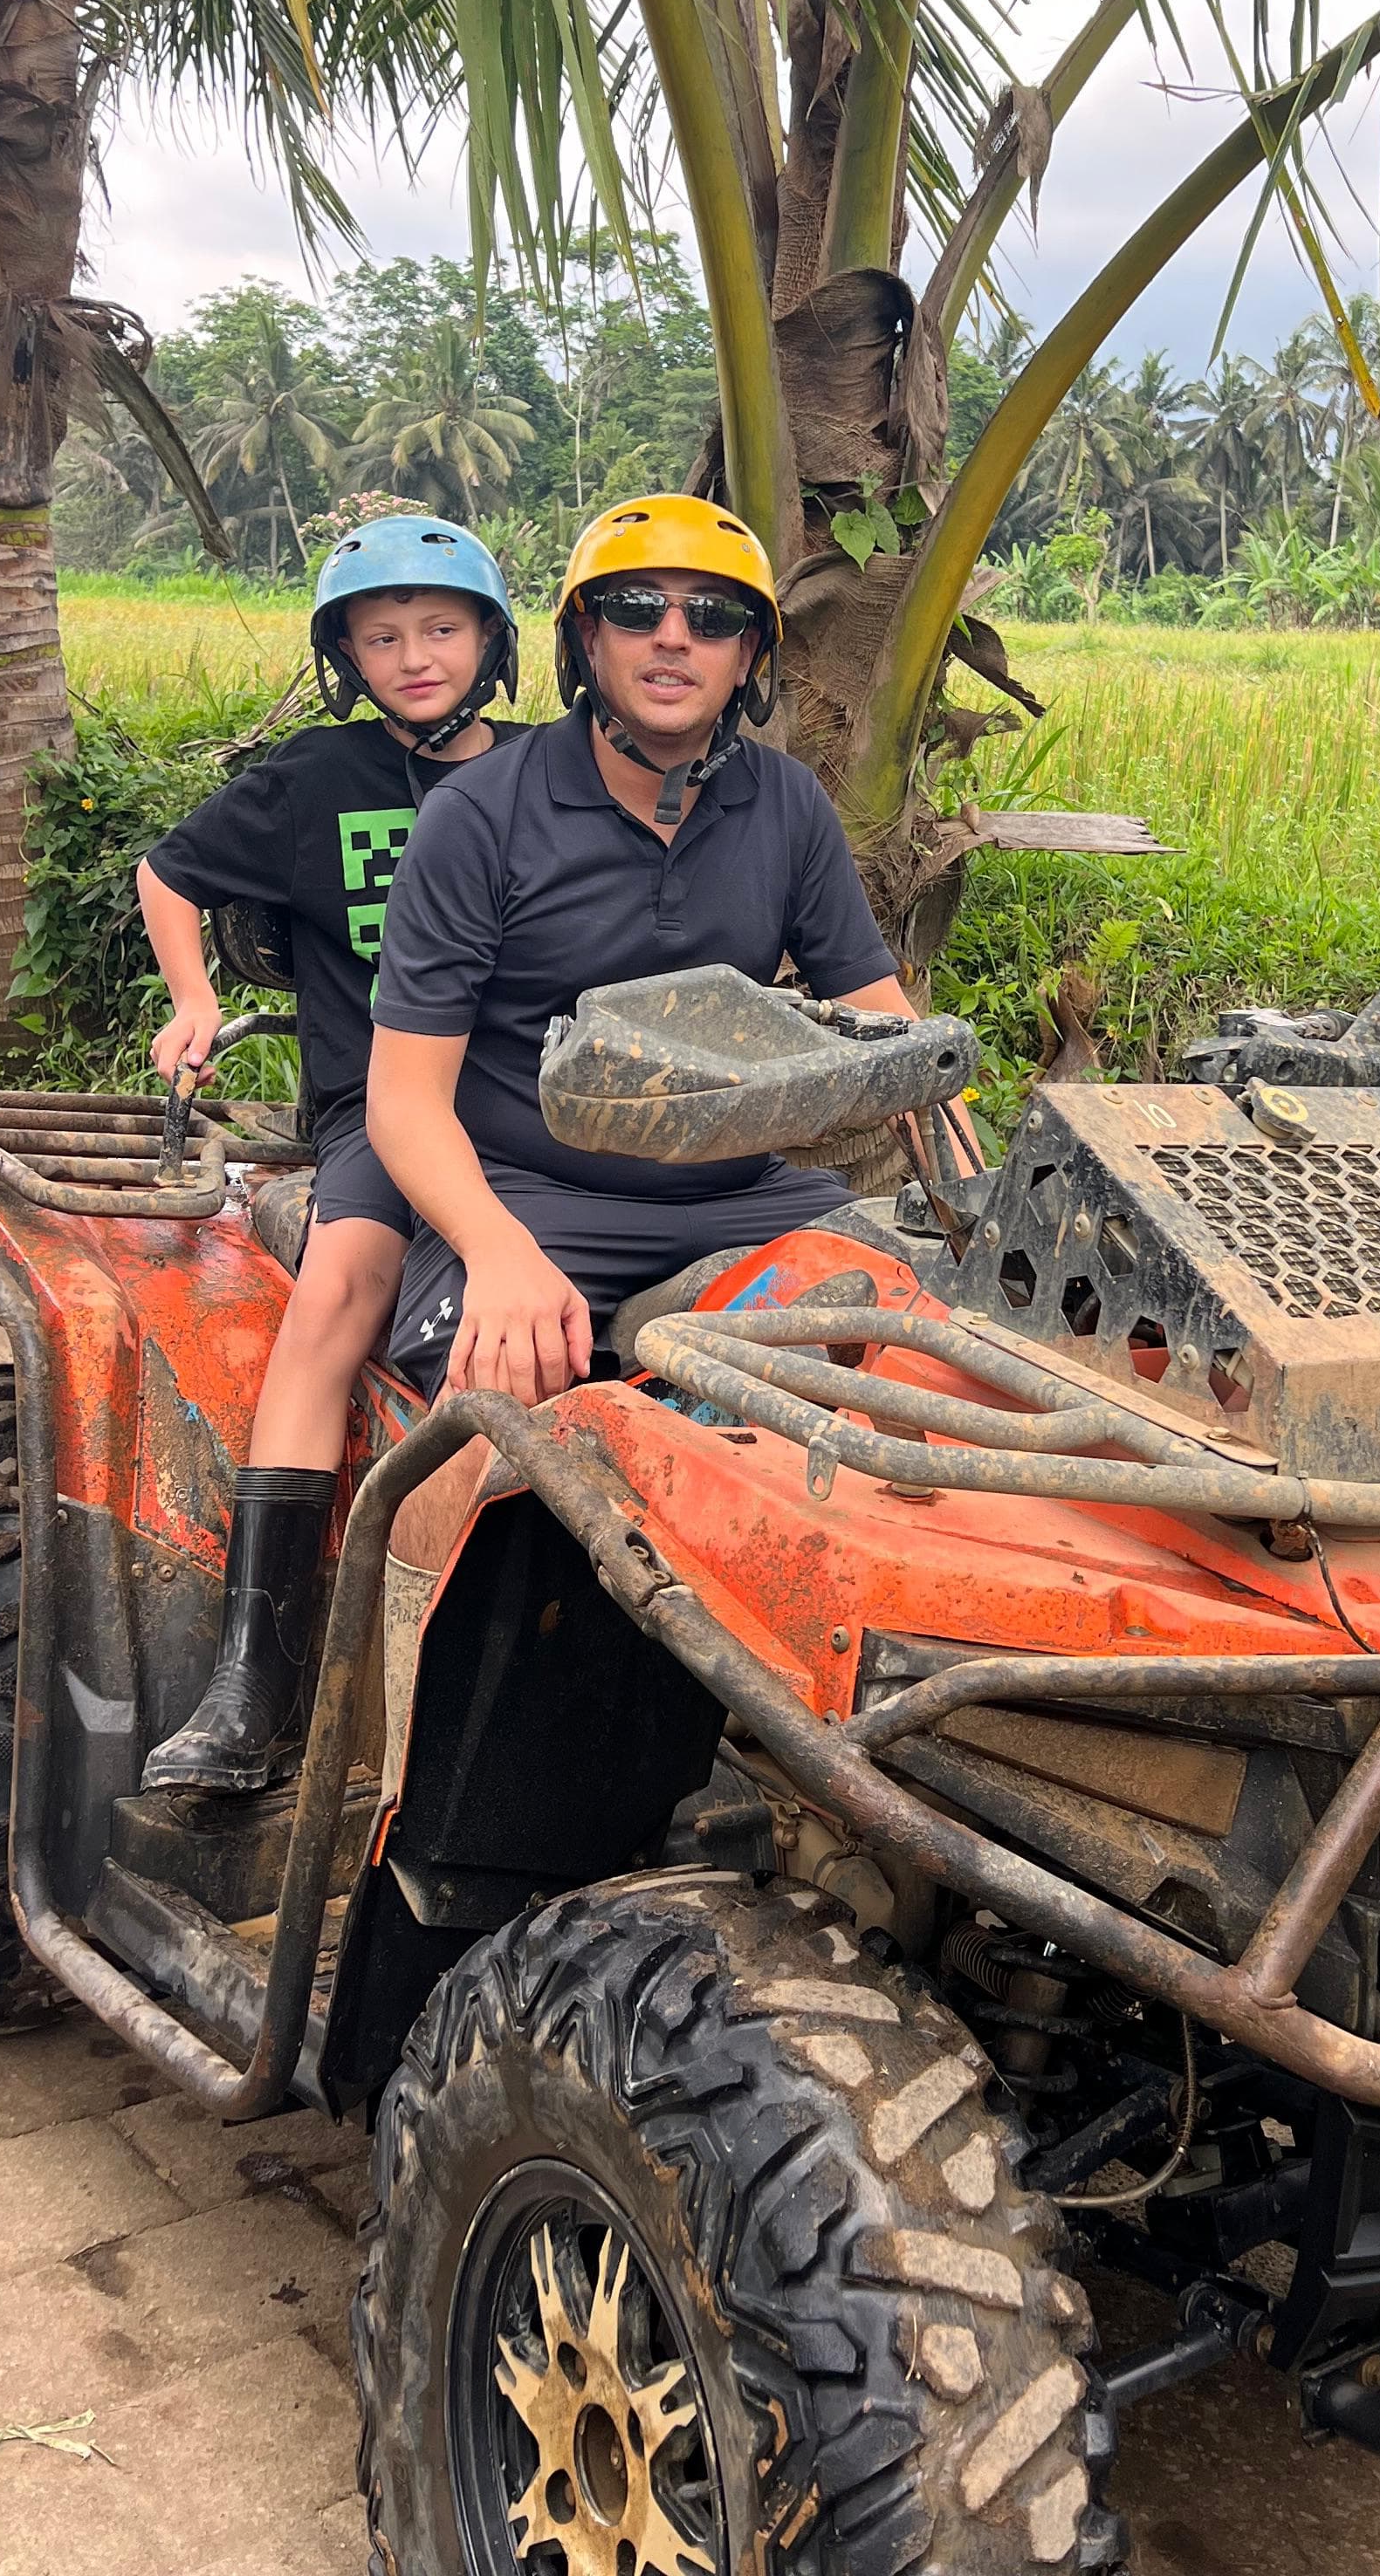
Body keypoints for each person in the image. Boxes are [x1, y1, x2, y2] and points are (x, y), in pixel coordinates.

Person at [367, 492, 928, 1403]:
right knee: (496, 1398)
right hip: (533, 1197)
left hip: (744, 1192)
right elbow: (404, 1098)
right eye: (637, 609)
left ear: (748, 656)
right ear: (587, 640)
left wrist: (981, 1203)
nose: (674, 637)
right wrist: (498, 1250)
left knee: (927, 1342)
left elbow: (891, 1034)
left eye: (712, 618)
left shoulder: (786, 804)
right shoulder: (478, 816)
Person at [134, 514, 522, 1791]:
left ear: (493, 643)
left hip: (531, 1103)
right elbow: (170, 871)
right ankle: (254, 1675)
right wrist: (193, 999)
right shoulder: (314, 779)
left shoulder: (549, 772)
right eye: (384, 635)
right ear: (348, 655)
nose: (417, 655)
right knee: (343, 1287)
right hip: (378, 1100)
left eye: (443, 629)